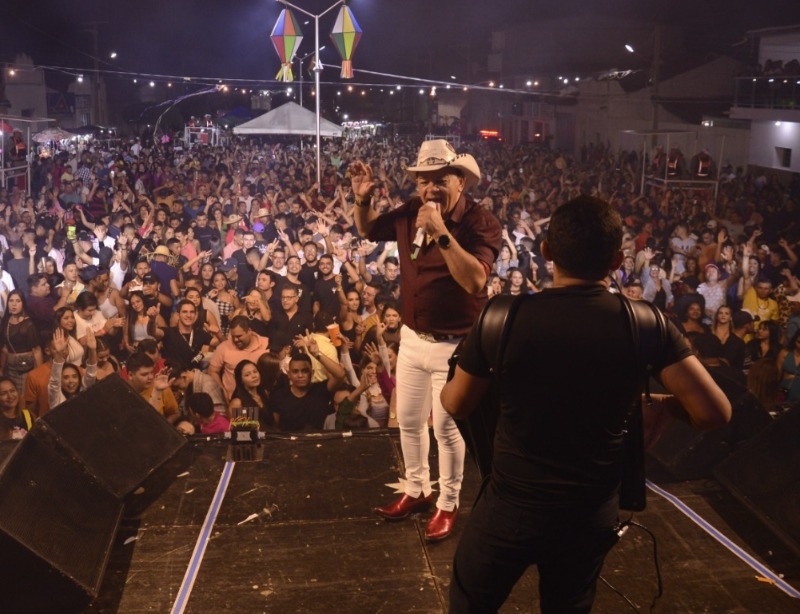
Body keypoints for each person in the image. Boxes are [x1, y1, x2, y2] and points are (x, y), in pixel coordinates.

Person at [441, 195, 731, 613]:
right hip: (588, 511)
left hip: (511, 507)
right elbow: (714, 413)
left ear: (546, 252)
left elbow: (456, 404)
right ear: (616, 261)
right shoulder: (645, 323)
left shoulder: (502, 317)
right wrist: (664, 406)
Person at [351, 139, 502, 541]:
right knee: (410, 421)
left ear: (461, 181)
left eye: (440, 180)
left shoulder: (480, 222)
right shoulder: (410, 213)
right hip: (413, 339)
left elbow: (475, 281)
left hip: (457, 346)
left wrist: (440, 233)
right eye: (424, 180)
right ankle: (417, 489)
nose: (431, 188)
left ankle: (448, 503)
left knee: (446, 430)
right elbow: (367, 229)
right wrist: (362, 200)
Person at [48, 327, 97, 408]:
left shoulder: (83, 391)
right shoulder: (56, 399)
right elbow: (54, 382)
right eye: (66, 377)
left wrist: (92, 350)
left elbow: (91, 374)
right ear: (60, 381)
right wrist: (59, 353)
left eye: (74, 376)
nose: (71, 381)